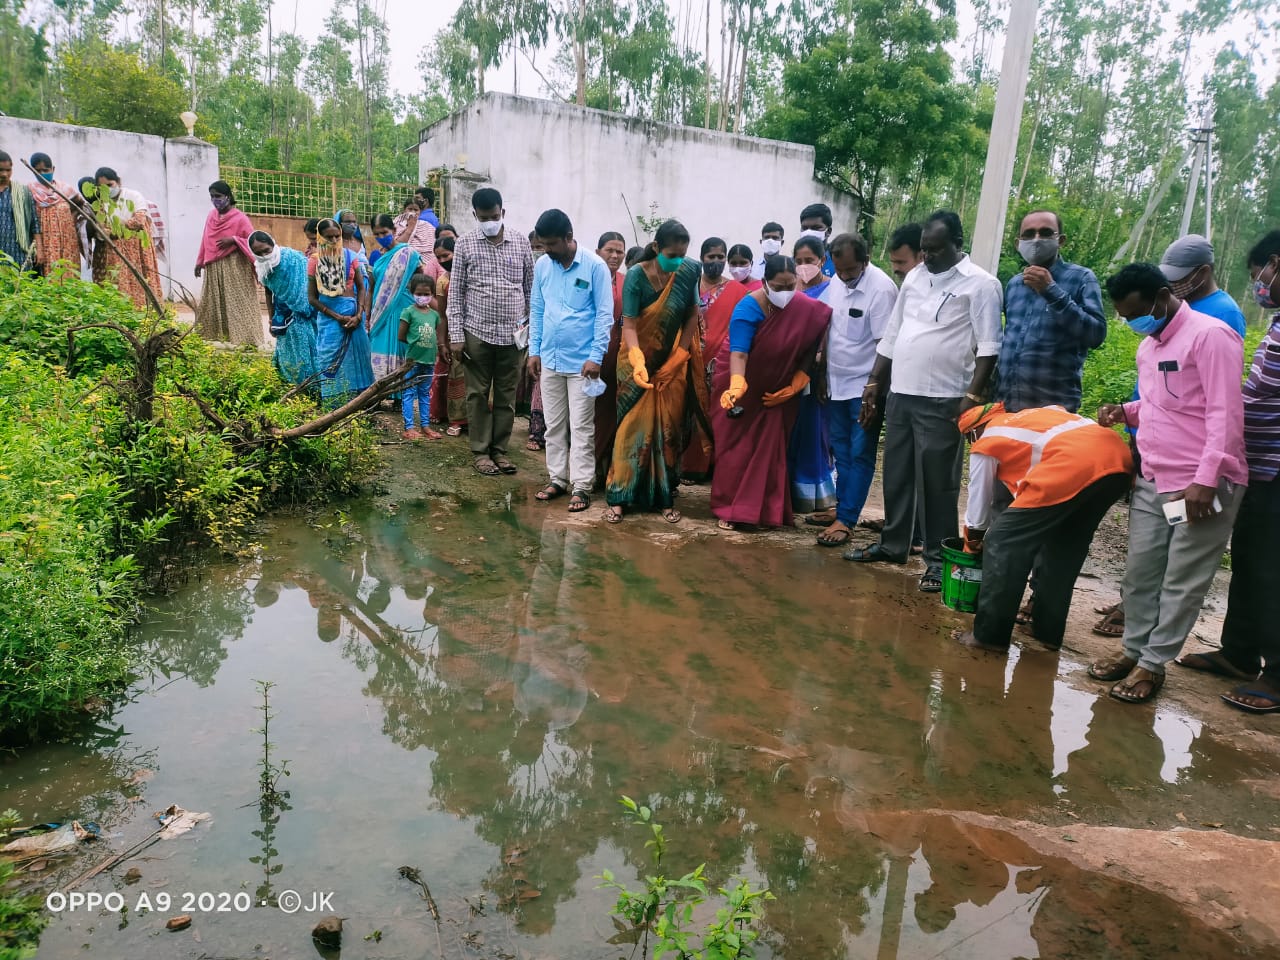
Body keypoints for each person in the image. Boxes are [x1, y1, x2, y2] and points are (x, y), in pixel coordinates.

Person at [1091, 262, 1246, 704]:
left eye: (1136, 313)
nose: (1132, 322)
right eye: (1124, 317)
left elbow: (1224, 413)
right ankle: (1134, 649)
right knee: (1141, 572)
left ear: (1162, 297)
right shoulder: (1150, 346)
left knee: (1182, 577)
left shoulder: (1210, 336)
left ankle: (1153, 663)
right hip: (1155, 478)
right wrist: (1126, 411)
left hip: (1198, 486)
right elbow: (1165, 404)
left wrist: (1206, 478)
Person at [848, 210, 1003, 593]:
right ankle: (893, 544)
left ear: (957, 245)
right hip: (902, 392)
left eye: (935, 249)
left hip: (944, 397)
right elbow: (893, 332)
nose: (927, 256)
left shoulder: (982, 284)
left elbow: (989, 347)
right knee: (897, 475)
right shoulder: (916, 277)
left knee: (937, 483)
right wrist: (874, 381)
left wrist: (972, 397)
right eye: (924, 249)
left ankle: (937, 559)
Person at [1176, 231, 1280, 713]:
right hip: (1256, 467)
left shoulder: (1221, 323)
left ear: (1275, 264)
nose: (1260, 285)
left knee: (1271, 569)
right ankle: (1238, 653)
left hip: (1276, 469)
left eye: (1260, 274)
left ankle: (1276, 675)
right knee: (1251, 561)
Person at [952, 403, 1133, 653]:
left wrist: (972, 542)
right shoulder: (1038, 414)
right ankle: (1046, 631)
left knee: (1003, 541)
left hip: (1075, 464)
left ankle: (988, 635)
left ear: (973, 433)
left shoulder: (987, 440)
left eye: (969, 438)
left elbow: (979, 503)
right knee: (1064, 546)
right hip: (1118, 462)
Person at [710, 255, 832, 529]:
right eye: (778, 287)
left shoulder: (806, 308)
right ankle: (732, 507)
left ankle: (766, 511)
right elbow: (739, 354)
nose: (785, 292)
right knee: (737, 449)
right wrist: (737, 383)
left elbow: (813, 343)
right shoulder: (748, 307)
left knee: (771, 449)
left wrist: (798, 381)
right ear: (765, 283)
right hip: (742, 387)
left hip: (779, 390)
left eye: (791, 285)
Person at [604, 219, 704, 524]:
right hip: (634, 363)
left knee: (666, 429)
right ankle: (619, 496)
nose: (678, 261)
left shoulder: (689, 270)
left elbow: (692, 315)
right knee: (630, 429)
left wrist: (680, 355)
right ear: (657, 247)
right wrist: (636, 358)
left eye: (682, 255)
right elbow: (630, 324)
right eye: (672, 255)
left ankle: (662, 496)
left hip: (670, 365)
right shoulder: (636, 275)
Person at [527, 209, 614, 513]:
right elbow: (537, 309)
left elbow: (604, 315)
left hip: (582, 365)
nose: (547, 250)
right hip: (550, 358)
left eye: (552, 244)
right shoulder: (543, 265)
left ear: (568, 237)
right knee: (553, 425)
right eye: (543, 245)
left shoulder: (594, 266)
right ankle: (557, 479)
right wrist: (534, 350)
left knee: (581, 426)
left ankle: (582, 485)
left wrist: (596, 356)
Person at [816, 233, 899, 547]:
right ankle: (842, 508)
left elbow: (885, 345)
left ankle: (847, 519)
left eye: (851, 271)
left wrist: (875, 388)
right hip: (836, 383)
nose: (845, 277)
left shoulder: (881, 289)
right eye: (839, 270)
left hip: (864, 388)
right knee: (840, 450)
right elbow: (828, 329)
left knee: (860, 452)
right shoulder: (836, 283)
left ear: (866, 260)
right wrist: (822, 375)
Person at [447, 187, 535, 477]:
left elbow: (531, 291)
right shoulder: (464, 244)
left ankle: (500, 450)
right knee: (477, 394)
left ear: (502, 212)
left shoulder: (521, 242)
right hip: (477, 332)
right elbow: (455, 293)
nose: (490, 222)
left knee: (507, 396)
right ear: (475, 215)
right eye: (484, 218)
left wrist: (532, 332)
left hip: (513, 334)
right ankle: (481, 452)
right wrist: (456, 336)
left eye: (494, 217)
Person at [996, 211, 1106, 412]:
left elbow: (1096, 335)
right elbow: (1009, 341)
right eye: (1029, 234)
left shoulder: (1082, 278)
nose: (1036, 239)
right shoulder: (1014, 284)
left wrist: (1051, 291)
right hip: (1007, 405)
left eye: (1045, 233)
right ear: (1018, 243)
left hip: (1053, 409)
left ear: (1060, 240)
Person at [682, 236, 749, 483]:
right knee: (691, 413)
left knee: (719, 413)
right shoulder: (689, 287)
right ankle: (691, 466)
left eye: (721, 257)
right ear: (702, 258)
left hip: (722, 364)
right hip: (689, 360)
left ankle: (718, 466)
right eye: (711, 257)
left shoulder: (738, 292)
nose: (716, 261)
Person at [790, 234, 836, 519]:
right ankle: (789, 490)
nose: (804, 266)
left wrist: (819, 363)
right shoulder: (789, 288)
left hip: (819, 371)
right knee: (791, 431)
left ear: (822, 260)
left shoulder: (833, 289)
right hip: (789, 370)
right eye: (799, 260)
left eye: (810, 260)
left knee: (815, 431)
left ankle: (815, 494)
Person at [307, 217, 374, 407]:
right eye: (329, 237)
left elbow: (362, 288)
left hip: (354, 318)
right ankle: (335, 405)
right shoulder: (314, 261)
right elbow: (312, 298)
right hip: (330, 320)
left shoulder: (351, 257)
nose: (334, 240)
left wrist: (359, 315)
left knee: (360, 358)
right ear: (320, 238)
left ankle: (361, 404)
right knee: (329, 358)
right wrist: (337, 317)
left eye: (337, 236)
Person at [193, 180, 265, 347]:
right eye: (212, 196)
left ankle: (247, 340)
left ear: (228, 196)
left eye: (218, 196)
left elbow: (253, 241)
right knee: (212, 302)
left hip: (235, 266)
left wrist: (234, 240)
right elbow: (205, 239)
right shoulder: (211, 216)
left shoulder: (240, 219)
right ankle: (212, 336)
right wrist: (199, 261)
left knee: (238, 303)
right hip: (214, 266)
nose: (215, 200)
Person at [249, 230, 320, 389]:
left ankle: (311, 386)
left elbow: (308, 282)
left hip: (305, 313)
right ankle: (291, 385)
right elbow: (268, 291)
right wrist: (271, 317)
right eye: (258, 253)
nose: (264, 255)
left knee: (307, 349)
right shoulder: (261, 266)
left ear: (273, 244)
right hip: (283, 314)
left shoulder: (292, 258)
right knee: (286, 351)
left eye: (266, 250)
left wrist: (301, 304)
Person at [88, 167, 163, 310]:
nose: (107, 189)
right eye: (103, 187)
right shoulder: (100, 203)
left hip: (137, 250)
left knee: (140, 279)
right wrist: (118, 228)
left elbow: (139, 222)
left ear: (118, 182)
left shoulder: (133, 196)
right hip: (114, 251)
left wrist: (114, 229)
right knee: (117, 283)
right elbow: (101, 231)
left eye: (110, 185)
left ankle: (146, 313)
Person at [367, 212, 422, 382]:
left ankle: (402, 393)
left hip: (404, 309)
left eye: (384, 232)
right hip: (380, 313)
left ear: (393, 230)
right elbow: (371, 289)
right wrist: (367, 315)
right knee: (379, 350)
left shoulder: (408, 253)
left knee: (402, 350)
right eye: (377, 234)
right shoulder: (376, 257)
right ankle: (382, 391)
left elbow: (422, 281)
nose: (381, 237)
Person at [595, 231, 629, 485]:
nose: (615, 256)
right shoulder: (588, 278)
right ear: (598, 252)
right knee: (589, 416)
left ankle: (607, 470)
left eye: (619, 251)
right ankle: (589, 469)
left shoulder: (627, 282)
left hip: (619, 358)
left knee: (612, 415)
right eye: (610, 250)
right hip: (591, 357)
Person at [427, 235, 467, 434]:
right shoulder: (442, 281)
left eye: (446, 255)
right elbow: (442, 315)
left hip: (476, 331)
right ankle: (457, 420)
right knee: (455, 376)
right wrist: (442, 343)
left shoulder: (471, 275)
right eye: (439, 258)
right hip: (454, 334)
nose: (443, 260)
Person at [397, 273, 444, 440]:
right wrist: (415, 346)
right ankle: (409, 427)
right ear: (412, 293)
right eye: (419, 293)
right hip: (412, 361)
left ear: (432, 294)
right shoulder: (408, 312)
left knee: (424, 394)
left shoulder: (434, 315)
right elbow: (401, 336)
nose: (423, 297)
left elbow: (436, 336)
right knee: (409, 393)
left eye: (426, 294)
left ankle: (425, 426)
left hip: (429, 361)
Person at [27, 153, 81, 276]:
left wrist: (71, 219)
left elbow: (79, 204)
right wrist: (38, 247)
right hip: (45, 241)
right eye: (38, 171)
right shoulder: (30, 191)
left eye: (46, 170)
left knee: (69, 270)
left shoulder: (65, 189)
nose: (42, 174)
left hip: (67, 239)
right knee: (49, 272)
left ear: (53, 169)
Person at [0, 150, 38, 270]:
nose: (4, 174)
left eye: (8, 170)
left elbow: (35, 224)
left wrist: (40, 250)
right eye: (0, 170)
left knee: (19, 279)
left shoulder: (23, 192)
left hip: (17, 250)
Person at [394, 197, 436, 262]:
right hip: (403, 260)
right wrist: (410, 228)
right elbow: (396, 246)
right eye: (410, 209)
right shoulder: (397, 224)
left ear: (420, 212)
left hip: (425, 261)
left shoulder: (427, 226)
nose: (413, 212)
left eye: (416, 210)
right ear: (404, 210)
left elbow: (432, 247)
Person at [799, 202, 835, 276]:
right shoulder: (791, 263)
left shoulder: (838, 262)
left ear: (828, 231)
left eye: (816, 228)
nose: (809, 232)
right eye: (805, 228)